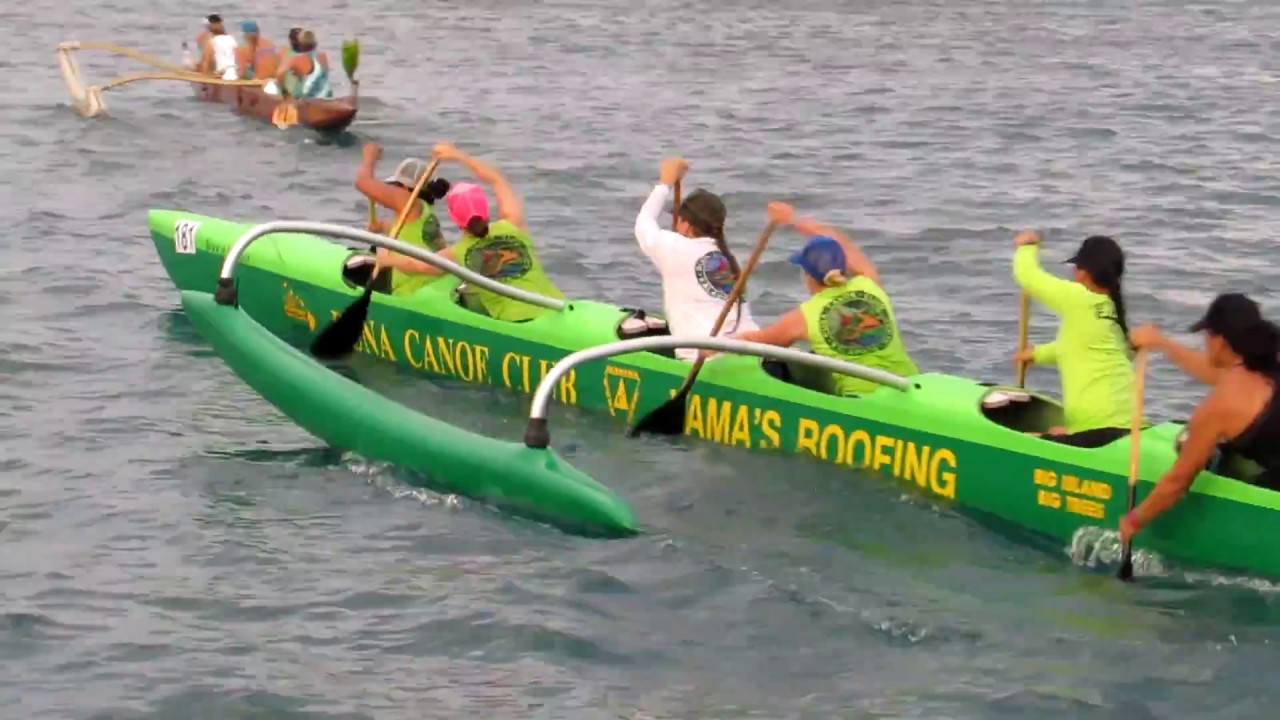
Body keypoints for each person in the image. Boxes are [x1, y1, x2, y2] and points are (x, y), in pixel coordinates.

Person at [1120, 294, 1280, 543]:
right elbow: (1214, 372)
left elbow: (1178, 482)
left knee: (1195, 447)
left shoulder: (1219, 406)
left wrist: (1133, 520)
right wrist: (1161, 343)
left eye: (1207, 335)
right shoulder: (1268, 363)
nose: (1204, 342)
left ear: (1221, 342)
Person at [724, 202, 918, 395]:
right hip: (908, 388)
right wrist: (795, 220)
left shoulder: (805, 316)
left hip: (862, 401)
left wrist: (719, 344)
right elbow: (843, 243)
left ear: (808, 276)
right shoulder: (870, 284)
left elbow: (757, 343)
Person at [374, 143, 566, 321]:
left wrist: (387, 259)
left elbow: (421, 265)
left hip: (520, 321)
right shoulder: (513, 224)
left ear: (456, 221)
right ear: (485, 209)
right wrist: (457, 155)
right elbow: (497, 180)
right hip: (558, 308)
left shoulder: (458, 252)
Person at [1012, 231, 1135, 447]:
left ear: (1084, 273)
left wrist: (1027, 247)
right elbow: (1084, 347)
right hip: (1129, 427)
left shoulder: (1080, 299)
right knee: (1055, 432)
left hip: (1101, 430)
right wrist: (1038, 354)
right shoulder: (1111, 311)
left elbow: (1029, 277)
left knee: (1021, 441)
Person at [634, 157, 759, 361]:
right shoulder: (726, 257)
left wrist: (665, 183)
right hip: (749, 351)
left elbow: (643, 224)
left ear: (685, 223)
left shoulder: (676, 248)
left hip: (705, 358)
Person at [354, 142, 452, 296]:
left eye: (395, 186)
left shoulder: (409, 202)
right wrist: (381, 226)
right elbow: (412, 233)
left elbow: (362, 183)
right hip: (432, 282)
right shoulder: (424, 209)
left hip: (412, 288)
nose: (391, 191)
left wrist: (369, 158)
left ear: (406, 189)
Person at [276, 30, 332, 99]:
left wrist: (284, 92)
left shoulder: (296, 59)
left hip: (308, 100)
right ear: (315, 43)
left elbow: (279, 73)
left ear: (300, 44)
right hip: (327, 96)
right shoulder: (323, 56)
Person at [235, 21, 279, 89]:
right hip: (273, 80)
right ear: (258, 32)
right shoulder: (270, 44)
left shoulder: (243, 49)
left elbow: (242, 72)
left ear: (245, 35)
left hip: (258, 82)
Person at [198, 14, 239, 79]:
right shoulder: (232, 39)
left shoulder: (212, 41)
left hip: (222, 75)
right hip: (234, 73)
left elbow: (206, 62)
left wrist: (204, 77)